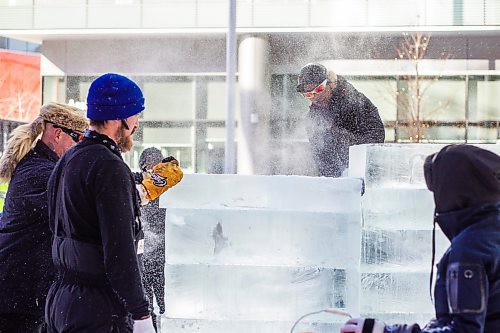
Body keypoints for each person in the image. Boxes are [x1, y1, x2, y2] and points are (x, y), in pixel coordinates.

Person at [45, 73, 183, 333]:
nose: (136, 124)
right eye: (134, 115)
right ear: (115, 118)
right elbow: (119, 251)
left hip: (62, 300)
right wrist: (141, 313)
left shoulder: (69, 159)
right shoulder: (108, 166)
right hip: (97, 308)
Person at [341, 144, 500, 333]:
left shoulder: (470, 248)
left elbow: (464, 330)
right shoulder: (489, 234)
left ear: (452, 190)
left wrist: (383, 331)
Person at [0, 103, 88, 333]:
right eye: (79, 139)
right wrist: (138, 188)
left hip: (26, 291)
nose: (82, 147)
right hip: (15, 295)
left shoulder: (45, 167)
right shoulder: (40, 172)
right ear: (58, 133)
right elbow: (81, 195)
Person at [296, 63, 385, 177]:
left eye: (319, 89)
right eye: (309, 95)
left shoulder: (355, 101)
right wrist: (331, 182)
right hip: (338, 181)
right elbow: (321, 158)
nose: (315, 97)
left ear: (331, 84)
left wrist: (345, 141)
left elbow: (376, 137)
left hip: (365, 172)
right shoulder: (312, 120)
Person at [138, 148, 167, 332]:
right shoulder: (139, 190)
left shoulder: (166, 191)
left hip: (163, 259)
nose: (152, 169)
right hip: (143, 259)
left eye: (156, 165)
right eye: (149, 165)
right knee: (146, 307)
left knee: (165, 306)